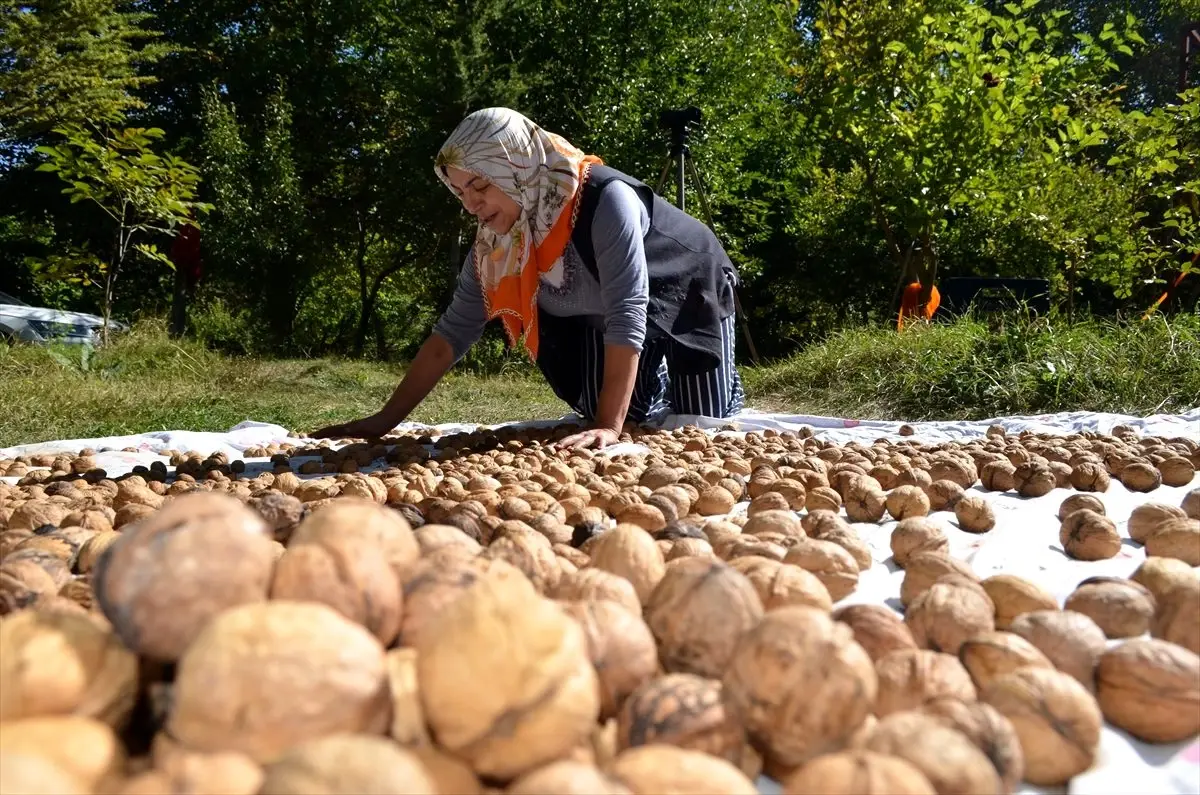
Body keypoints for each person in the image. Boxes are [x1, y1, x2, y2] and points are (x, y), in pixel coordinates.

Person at [312, 107, 743, 448]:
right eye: (461, 192)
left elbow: (628, 308)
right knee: (604, 408)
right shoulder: (496, 246)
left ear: (515, 167)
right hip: (604, 321)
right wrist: (382, 422)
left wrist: (610, 428)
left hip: (687, 288)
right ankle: (647, 381)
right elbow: (449, 338)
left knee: (702, 420)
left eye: (480, 185)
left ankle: (669, 371)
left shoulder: (604, 201)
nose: (471, 205)